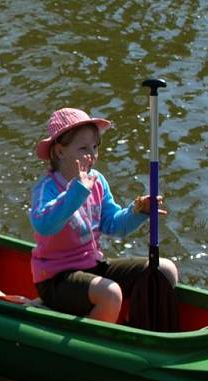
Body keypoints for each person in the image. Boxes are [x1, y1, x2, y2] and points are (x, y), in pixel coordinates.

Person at [29, 107, 178, 323]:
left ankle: (143, 332)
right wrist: (76, 192)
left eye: (95, 147)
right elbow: (44, 225)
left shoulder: (97, 181)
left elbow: (113, 224)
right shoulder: (48, 188)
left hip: (93, 266)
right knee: (110, 293)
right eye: (83, 148)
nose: (92, 155)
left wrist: (138, 210)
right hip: (55, 279)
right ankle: (96, 345)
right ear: (60, 152)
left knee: (164, 270)